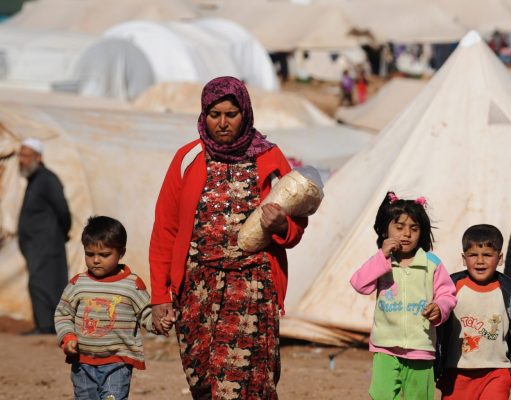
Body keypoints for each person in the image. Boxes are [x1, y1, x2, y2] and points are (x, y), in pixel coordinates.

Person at [149, 76, 308, 399]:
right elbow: (165, 229)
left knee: (242, 383)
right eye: (214, 114)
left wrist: (281, 226)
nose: (222, 123)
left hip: (252, 287)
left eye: (231, 114)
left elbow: (296, 225)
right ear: (203, 114)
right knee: (204, 381)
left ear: (245, 113)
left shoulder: (270, 157)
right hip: (197, 289)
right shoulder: (187, 158)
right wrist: (160, 296)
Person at [350, 192, 457, 400]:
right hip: (386, 346)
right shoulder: (382, 263)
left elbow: (448, 294)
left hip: (421, 347)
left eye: (413, 229)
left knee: (419, 396)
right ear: (385, 230)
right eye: (399, 227)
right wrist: (382, 256)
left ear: (422, 232)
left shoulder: (431, 263)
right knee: (382, 395)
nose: (406, 234)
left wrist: (439, 308)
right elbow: (359, 284)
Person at [435, 224, 511, 400]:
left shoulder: (509, 289)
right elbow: (436, 315)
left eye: (487, 255)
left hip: (496, 372)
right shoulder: (451, 286)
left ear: (500, 258)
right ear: (464, 258)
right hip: (457, 372)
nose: (480, 261)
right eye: (473, 255)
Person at [54, 216, 154, 400]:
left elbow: (147, 313)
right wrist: (67, 337)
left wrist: (159, 321)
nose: (96, 260)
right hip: (82, 363)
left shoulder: (132, 285)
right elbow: (63, 314)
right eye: (89, 254)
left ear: (121, 252)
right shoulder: (78, 284)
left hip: (118, 362)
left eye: (104, 255)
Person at [18, 137, 71, 335]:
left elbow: (63, 210)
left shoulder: (47, 179)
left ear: (38, 157)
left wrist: (61, 233)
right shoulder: (35, 180)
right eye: (20, 155)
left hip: (47, 242)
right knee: (41, 282)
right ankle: (45, 324)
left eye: (26, 155)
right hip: (38, 243)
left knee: (43, 283)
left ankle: (47, 326)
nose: (21, 160)